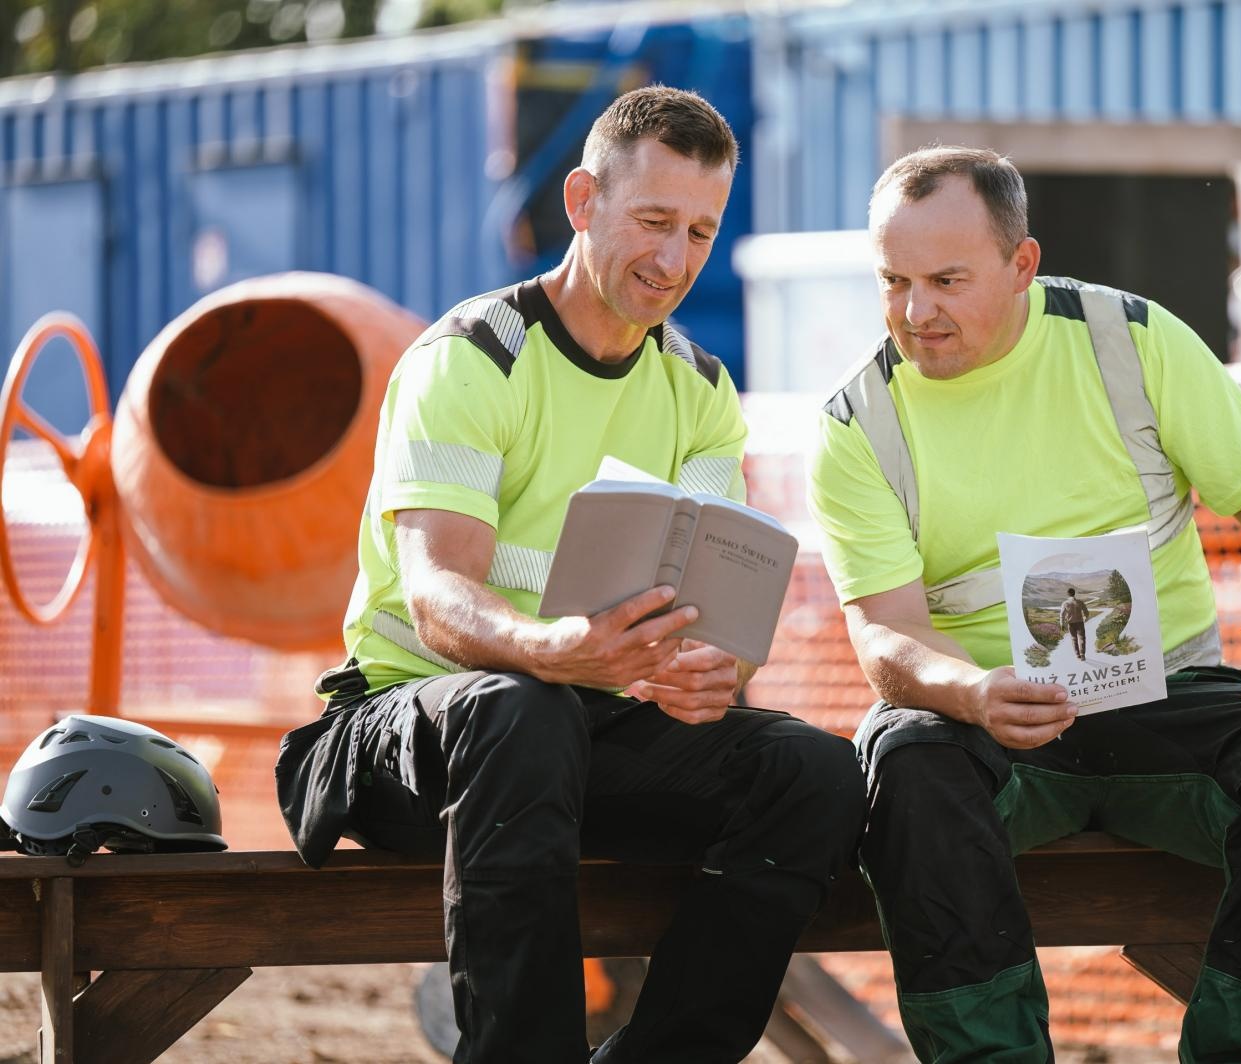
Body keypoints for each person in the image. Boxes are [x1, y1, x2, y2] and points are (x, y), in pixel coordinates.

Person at [276, 87, 865, 1064]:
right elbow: (438, 592)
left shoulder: (701, 389)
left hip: (582, 737)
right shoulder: (468, 360)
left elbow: (696, 612)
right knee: (525, 705)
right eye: (652, 221)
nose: (673, 259)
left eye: (699, 231)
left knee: (813, 770)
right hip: (403, 728)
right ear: (583, 199)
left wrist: (701, 668)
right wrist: (554, 648)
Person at [806, 146, 1241, 1063]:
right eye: (894, 281)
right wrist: (971, 693)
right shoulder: (854, 424)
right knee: (906, 759)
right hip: (989, 730)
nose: (918, 312)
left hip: (1166, 701)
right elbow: (884, 634)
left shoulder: (1133, 339)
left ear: (1022, 264)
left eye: (948, 279)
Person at [1058, 587, 1088, 661]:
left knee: (1074, 639)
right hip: (1080, 623)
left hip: (1071, 624)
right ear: (1074, 593)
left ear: (1068, 594)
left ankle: (1077, 655)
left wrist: (1062, 624)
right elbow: (1086, 612)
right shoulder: (1080, 602)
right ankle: (1082, 655)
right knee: (1082, 638)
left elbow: (1062, 614)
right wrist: (1085, 618)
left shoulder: (1065, 603)